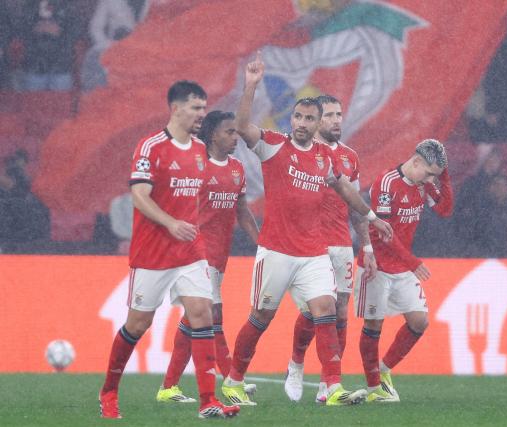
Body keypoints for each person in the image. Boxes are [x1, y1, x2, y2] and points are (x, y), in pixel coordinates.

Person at [221, 52, 392, 407]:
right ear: (292, 118)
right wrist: (250, 86)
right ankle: (234, 379)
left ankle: (331, 386)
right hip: (277, 250)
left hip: (314, 251)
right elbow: (240, 126)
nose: (301, 122)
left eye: (309, 118)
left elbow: (345, 190)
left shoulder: (325, 157)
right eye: (298, 116)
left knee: (327, 310)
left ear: (317, 124)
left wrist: (373, 218)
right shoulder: (273, 145)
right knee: (262, 316)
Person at [98, 81, 240, 419]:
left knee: (202, 313)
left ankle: (208, 401)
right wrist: (170, 223)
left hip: (191, 251)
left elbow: (198, 198)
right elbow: (140, 196)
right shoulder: (151, 147)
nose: (201, 115)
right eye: (195, 108)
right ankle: (109, 392)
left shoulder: (199, 150)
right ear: (175, 108)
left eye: (204, 109)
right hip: (153, 252)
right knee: (138, 324)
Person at [156, 110, 260, 403]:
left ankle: (168, 388)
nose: (235, 137)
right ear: (213, 134)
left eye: (236, 132)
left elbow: (241, 211)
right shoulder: (196, 164)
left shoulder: (237, 168)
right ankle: (231, 379)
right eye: (229, 132)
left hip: (219, 255)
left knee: (193, 319)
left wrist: (261, 243)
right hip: (194, 253)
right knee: (212, 315)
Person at [283, 95, 377, 404]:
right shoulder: (302, 152)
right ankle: (296, 364)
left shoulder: (350, 157)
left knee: (339, 313)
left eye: (340, 114)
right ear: (317, 118)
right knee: (314, 310)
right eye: (331, 115)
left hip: (340, 243)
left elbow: (355, 207)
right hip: (310, 243)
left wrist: (366, 246)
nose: (337, 120)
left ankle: (328, 385)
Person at [355, 139, 453, 402]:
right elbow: (384, 233)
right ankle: (374, 387)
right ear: (416, 161)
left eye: (435, 174)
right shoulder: (386, 185)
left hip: (402, 266)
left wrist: (444, 177)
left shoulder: (425, 184)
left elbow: (445, 210)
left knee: (419, 321)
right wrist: (413, 262)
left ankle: (384, 370)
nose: (431, 178)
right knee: (374, 324)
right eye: (429, 172)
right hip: (377, 265)